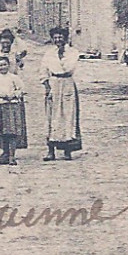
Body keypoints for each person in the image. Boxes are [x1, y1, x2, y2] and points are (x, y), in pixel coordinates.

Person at [42, 26, 83, 161]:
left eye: (60, 37)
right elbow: (43, 71)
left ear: (65, 38)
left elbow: (68, 68)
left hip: (67, 85)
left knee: (67, 117)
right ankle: (50, 151)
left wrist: (62, 53)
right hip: (54, 84)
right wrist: (47, 87)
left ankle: (67, 151)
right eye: (55, 37)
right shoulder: (48, 54)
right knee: (51, 118)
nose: (58, 39)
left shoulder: (72, 53)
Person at [0, 54, 28, 164]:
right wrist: (0, 95)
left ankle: (12, 156)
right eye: (0, 65)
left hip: (12, 107)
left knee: (12, 132)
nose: (3, 67)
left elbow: (22, 89)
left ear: (9, 65)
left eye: (5, 65)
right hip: (0, 107)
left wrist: (14, 94)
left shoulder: (14, 78)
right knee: (2, 132)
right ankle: (5, 154)